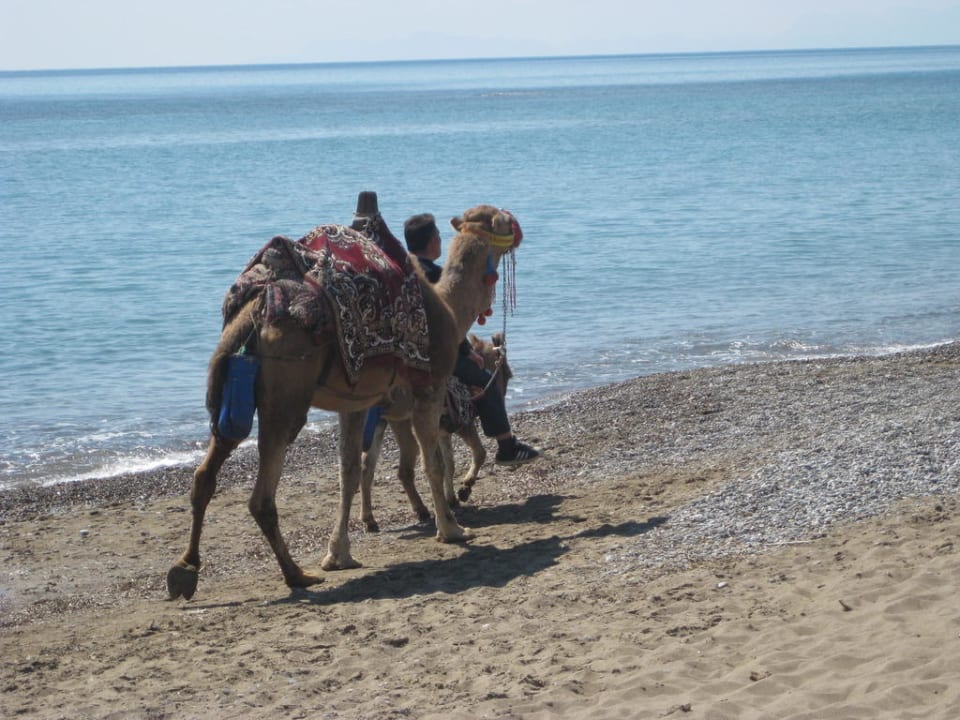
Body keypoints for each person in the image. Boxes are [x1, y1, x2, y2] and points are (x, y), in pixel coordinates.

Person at [403, 212, 540, 466]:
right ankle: (506, 446)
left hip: (407, 348)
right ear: (433, 241)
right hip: (437, 353)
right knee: (486, 380)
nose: (440, 241)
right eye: (438, 236)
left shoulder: (405, 272)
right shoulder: (436, 276)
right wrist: (466, 351)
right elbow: (447, 322)